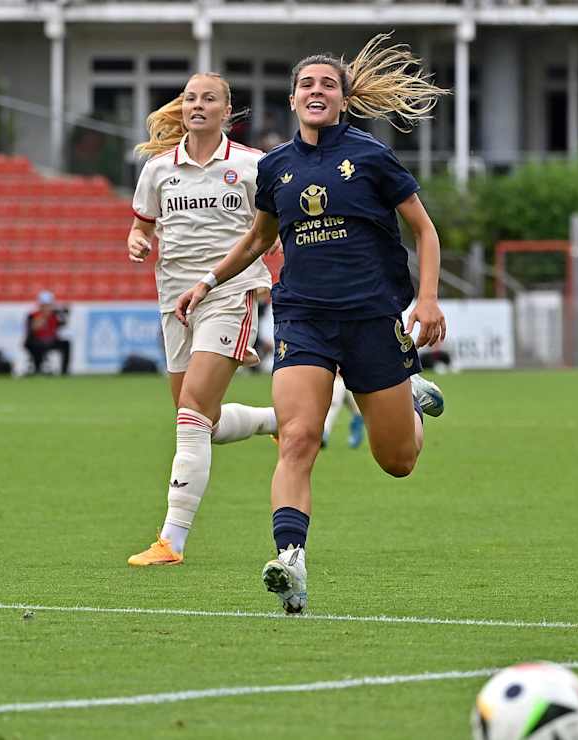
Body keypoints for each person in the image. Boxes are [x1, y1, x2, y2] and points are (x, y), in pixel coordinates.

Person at [176, 34, 449, 613]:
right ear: (293, 98)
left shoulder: (372, 156)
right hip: (304, 318)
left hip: (374, 320)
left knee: (397, 460)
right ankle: (291, 560)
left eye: (328, 83)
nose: (316, 91)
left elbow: (424, 230)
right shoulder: (275, 168)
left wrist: (427, 300)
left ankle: (411, 395)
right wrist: (208, 281)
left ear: (343, 100)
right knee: (297, 438)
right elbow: (258, 238)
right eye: (307, 84)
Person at [124, 71, 283, 567]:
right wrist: (137, 240)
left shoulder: (252, 165)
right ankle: (277, 420)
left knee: (192, 411)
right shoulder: (157, 169)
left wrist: (273, 244)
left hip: (229, 293)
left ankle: (172, 539)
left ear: (225, 111)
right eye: (190, 97)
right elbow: (141, 224)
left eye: (208, 98)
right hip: (175, 300)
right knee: (200, 421)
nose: (197, 105)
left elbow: (274, 224)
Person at [24, 291, 72, 375]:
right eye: (44, 304)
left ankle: (64, 371)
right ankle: (37, 369)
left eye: (48, 304)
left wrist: (66, 312)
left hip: (51, 340)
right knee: (35, 346)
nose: (46, 306)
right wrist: (44, 315)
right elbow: (34, 328)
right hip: (37, 341)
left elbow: (62, 324)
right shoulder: (33, 315)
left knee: (66, 344)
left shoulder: (55, 315)